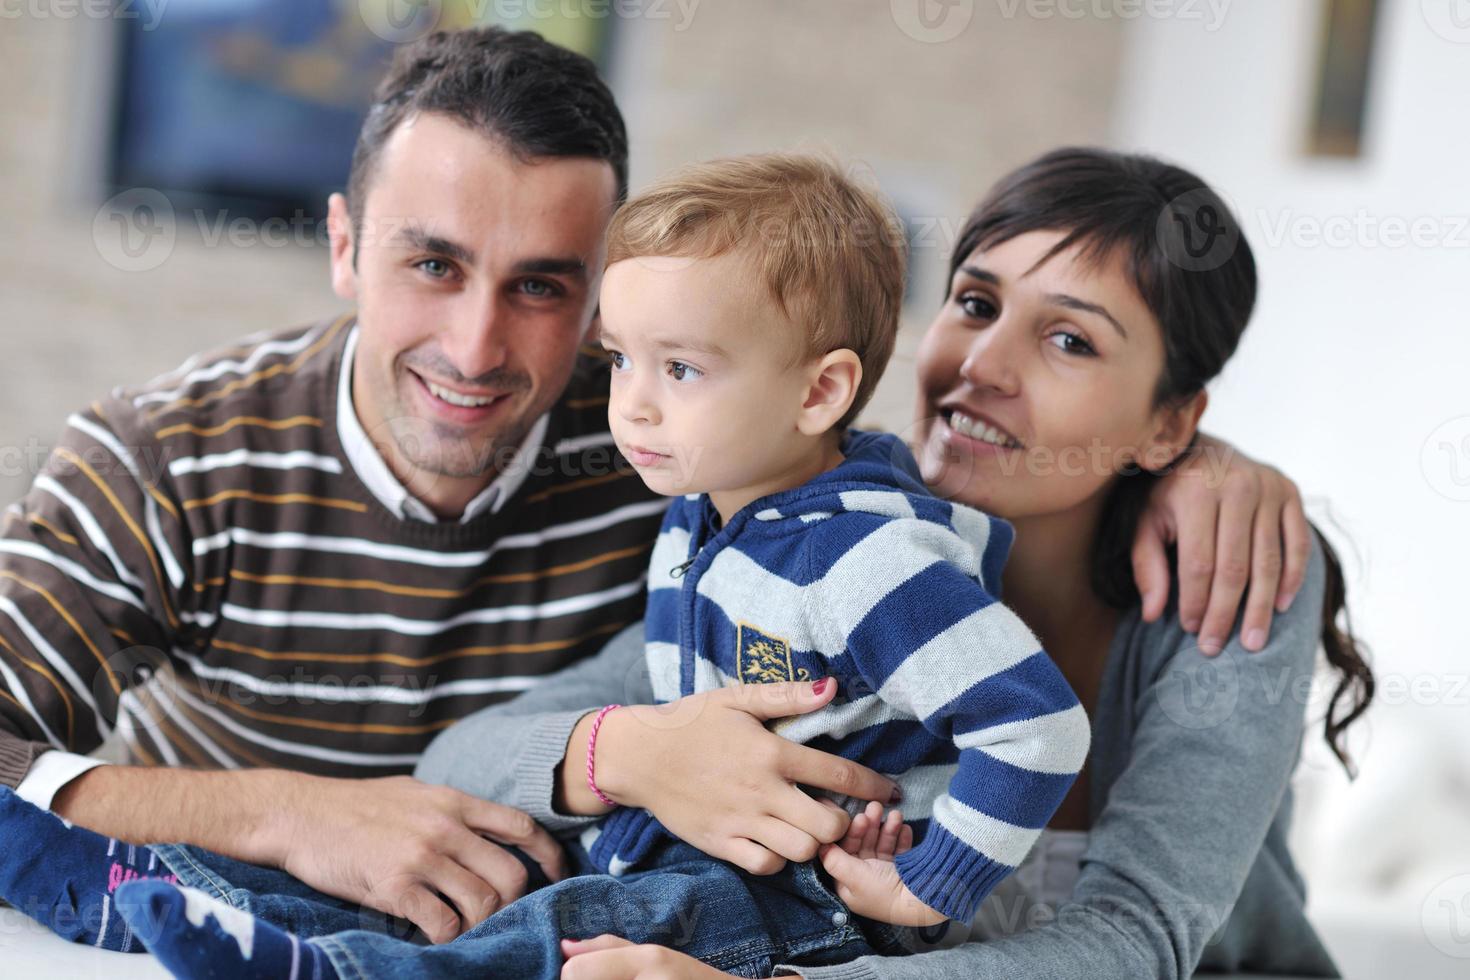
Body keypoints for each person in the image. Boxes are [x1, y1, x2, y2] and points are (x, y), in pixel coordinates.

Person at [0, 22, 1315, 955]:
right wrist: (309, 813)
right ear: (341, 247)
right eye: (430, 264)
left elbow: (1143, 920)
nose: (476, 350)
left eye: (544, 286)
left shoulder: (687, 448)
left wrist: (1212, 464)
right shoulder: (168, 463)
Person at [6, 150, 1093, 980]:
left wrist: (930, 878)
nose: (630, 404)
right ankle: (131, 880)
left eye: (678, 367)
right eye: (622, 360)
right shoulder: (702, 487)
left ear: (817, 393)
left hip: (790, 897)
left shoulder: (857, 544)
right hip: (648, 848)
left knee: (536, 935)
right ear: (345, 244)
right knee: (460, 892)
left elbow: (1036, 723)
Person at [427, 149, 1374, 979]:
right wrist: (625, 753)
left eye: (1069, 339)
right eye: (976, 302)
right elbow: (459, 756)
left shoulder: (1237, 571)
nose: (982, 365)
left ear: (1170, 423)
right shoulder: (832, 549)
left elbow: (1140, 938)